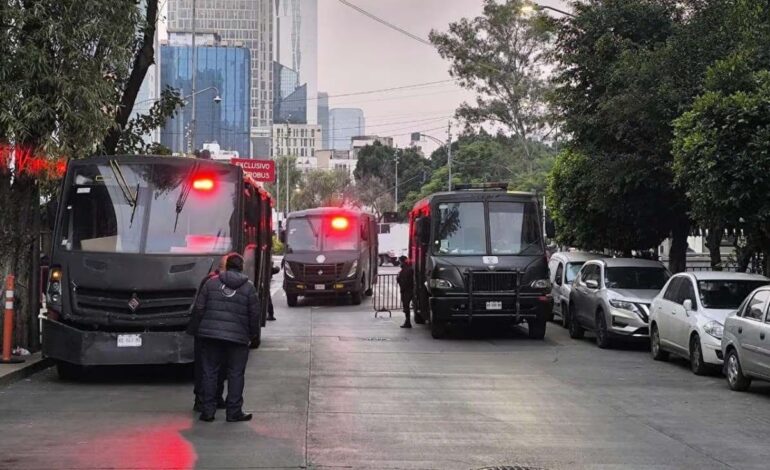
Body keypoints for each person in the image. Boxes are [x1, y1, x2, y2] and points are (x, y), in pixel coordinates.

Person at [194, 253, 260, 422]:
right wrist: (253, 335)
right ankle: (234, 412)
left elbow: (199, 308)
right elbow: (254, 315)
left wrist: (200, 329)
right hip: (238, 339)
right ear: (241, 267)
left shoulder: (210, 283)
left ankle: (208, 411)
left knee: (209, 372)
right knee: (236, 374)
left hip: (210, 336)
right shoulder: (249, 287)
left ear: (225, 266)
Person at [396, 256, 414, 329]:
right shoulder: (407, 269)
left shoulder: (406, 270)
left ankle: (408, 322)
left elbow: (404, 281)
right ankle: (407, 321)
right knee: (406, 306)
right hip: (407, 290)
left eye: (400, 261)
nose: (399, 263)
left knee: (406, 307)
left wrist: (398, 279)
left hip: (406, 290)